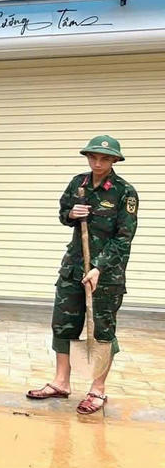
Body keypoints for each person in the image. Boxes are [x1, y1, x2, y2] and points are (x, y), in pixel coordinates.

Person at [28, 135, 138, 416]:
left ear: (114, 160)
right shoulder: (78, 183)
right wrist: (71, 214)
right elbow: (63, 213)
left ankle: (97, 389)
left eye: (104, 158)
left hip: (106, 274)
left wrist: (99, 268)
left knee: (101, 331)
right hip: (73, 266)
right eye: (93, 157)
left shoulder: (125, 193)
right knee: (63, 325)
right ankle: (61, 382)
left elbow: (123, 240)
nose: (97, 163)